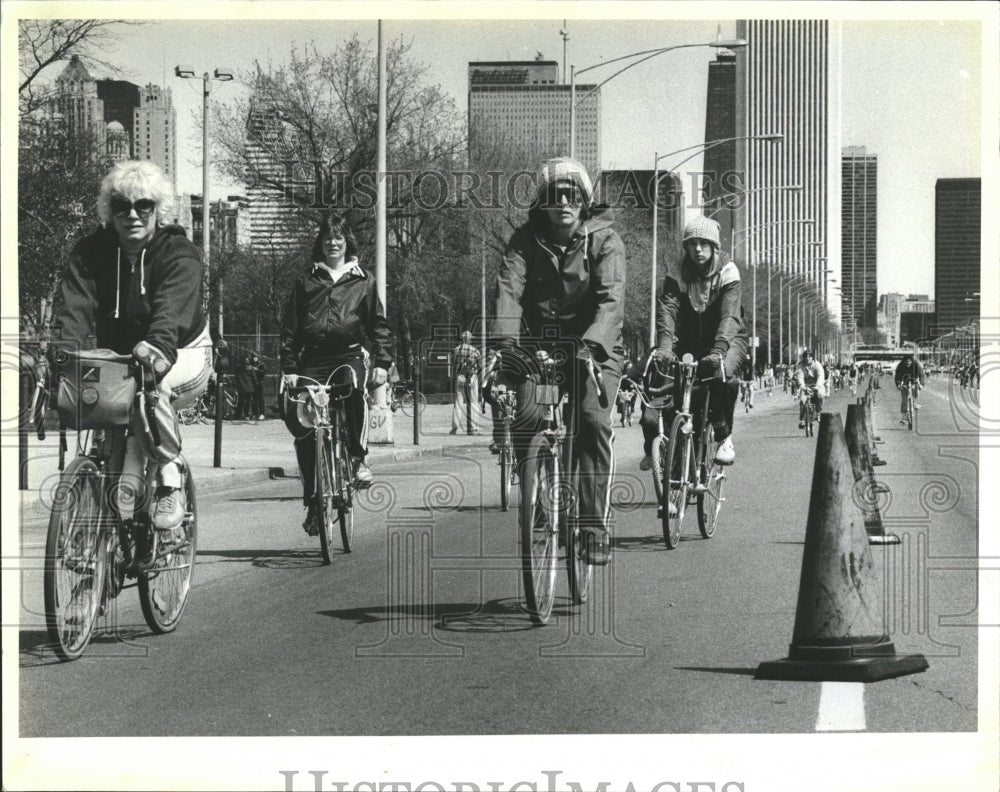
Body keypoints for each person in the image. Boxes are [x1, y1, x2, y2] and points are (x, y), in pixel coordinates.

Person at [51, 159, 212, 543]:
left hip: (183, 352)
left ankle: (170, 481)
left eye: (144, 206)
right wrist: (62, 356)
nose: (133, 215)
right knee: (105, 415)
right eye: (122, 206)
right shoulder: (90, 252)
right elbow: (72, 309)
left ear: (160, 210)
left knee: (149, 392)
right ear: (110, 211)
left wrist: (156, 348)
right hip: (121, 357)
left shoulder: (180, 254)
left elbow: (171, 316)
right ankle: (106, 535)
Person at [488, 157, 625, 565]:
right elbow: (508, 291)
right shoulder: (523, 240)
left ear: (584, 202)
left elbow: (611, 302)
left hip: (593, 347)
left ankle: (592, 526)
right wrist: (506, 345)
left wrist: (592, 345)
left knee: (591, 420)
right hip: (540, 346)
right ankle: (538, 490)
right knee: (526, 415)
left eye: (571, 195)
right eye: (553, 195)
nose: (562, 202)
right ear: (542, 204)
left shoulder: (606, 240)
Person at [279, 212, 392, 536]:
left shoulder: (363, 280)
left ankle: (357, 459)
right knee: (304, 426)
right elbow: (289, 330)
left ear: (347, 242)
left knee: (353, 391)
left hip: (348, 356)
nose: (333, 242)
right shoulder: (306, 281)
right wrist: (289, 368)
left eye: (338, 237)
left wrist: (382, 363)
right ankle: (315, 504)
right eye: (328, 237)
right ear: (322, 243)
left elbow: (379, 326)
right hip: (313, 359)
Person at [640, 214, 747, 474]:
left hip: (726, 338)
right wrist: (665, 345)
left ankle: (722, 434)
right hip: (686, 341)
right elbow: (668, 309)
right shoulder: (677, 272)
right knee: (656, 375)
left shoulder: (728, 271)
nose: (697, 249)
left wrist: (720, 349)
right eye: (692, 244)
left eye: (704, 243)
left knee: (724, 376)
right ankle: (657, 446)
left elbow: (729, 315)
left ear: (714, 247)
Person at [450, 330, 481, 435]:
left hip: (460, 377)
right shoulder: (475, 351)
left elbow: (453, 365)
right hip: (471, 378)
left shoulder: (455, 350)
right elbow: (479, 366)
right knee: (473, 402)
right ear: (469, 339)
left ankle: (455, 427)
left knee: (458, 402)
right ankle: (473, 428)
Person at [794, 348, 825, 428]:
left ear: (813, 357)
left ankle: (818, 413)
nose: (807, 359)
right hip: (805, 386)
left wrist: (817, 386)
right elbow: (800, 377)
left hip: (816, 385)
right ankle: (802, 420)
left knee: (820, 395)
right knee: (802, 400)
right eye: (806, 357)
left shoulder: (818, 365)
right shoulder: (800, 367)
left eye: (809, 357)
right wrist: (803, 387)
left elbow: (820, 376)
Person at [893, 353, 925, 423]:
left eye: (910, 361)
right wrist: (898, 384)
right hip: (904, 381)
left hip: (914, 380)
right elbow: (897, 377)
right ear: (904, 361)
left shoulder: (916, 365)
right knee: (904, 399)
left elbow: (921, 375)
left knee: (915, 389)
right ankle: (903, 417)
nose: (908, 363)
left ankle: (915, 402)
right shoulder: (900, 366)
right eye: (906, 361)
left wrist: (921, 384)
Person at [235, 350, 257, 419]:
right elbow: (254, 378)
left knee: (240, 401)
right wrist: (255, 384)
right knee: (248, 402)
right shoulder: (251, 368)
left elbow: (236, 377)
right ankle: (246, 415)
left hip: (241, 387)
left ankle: (238, 415)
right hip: (249, 388)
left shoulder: (238, 369)